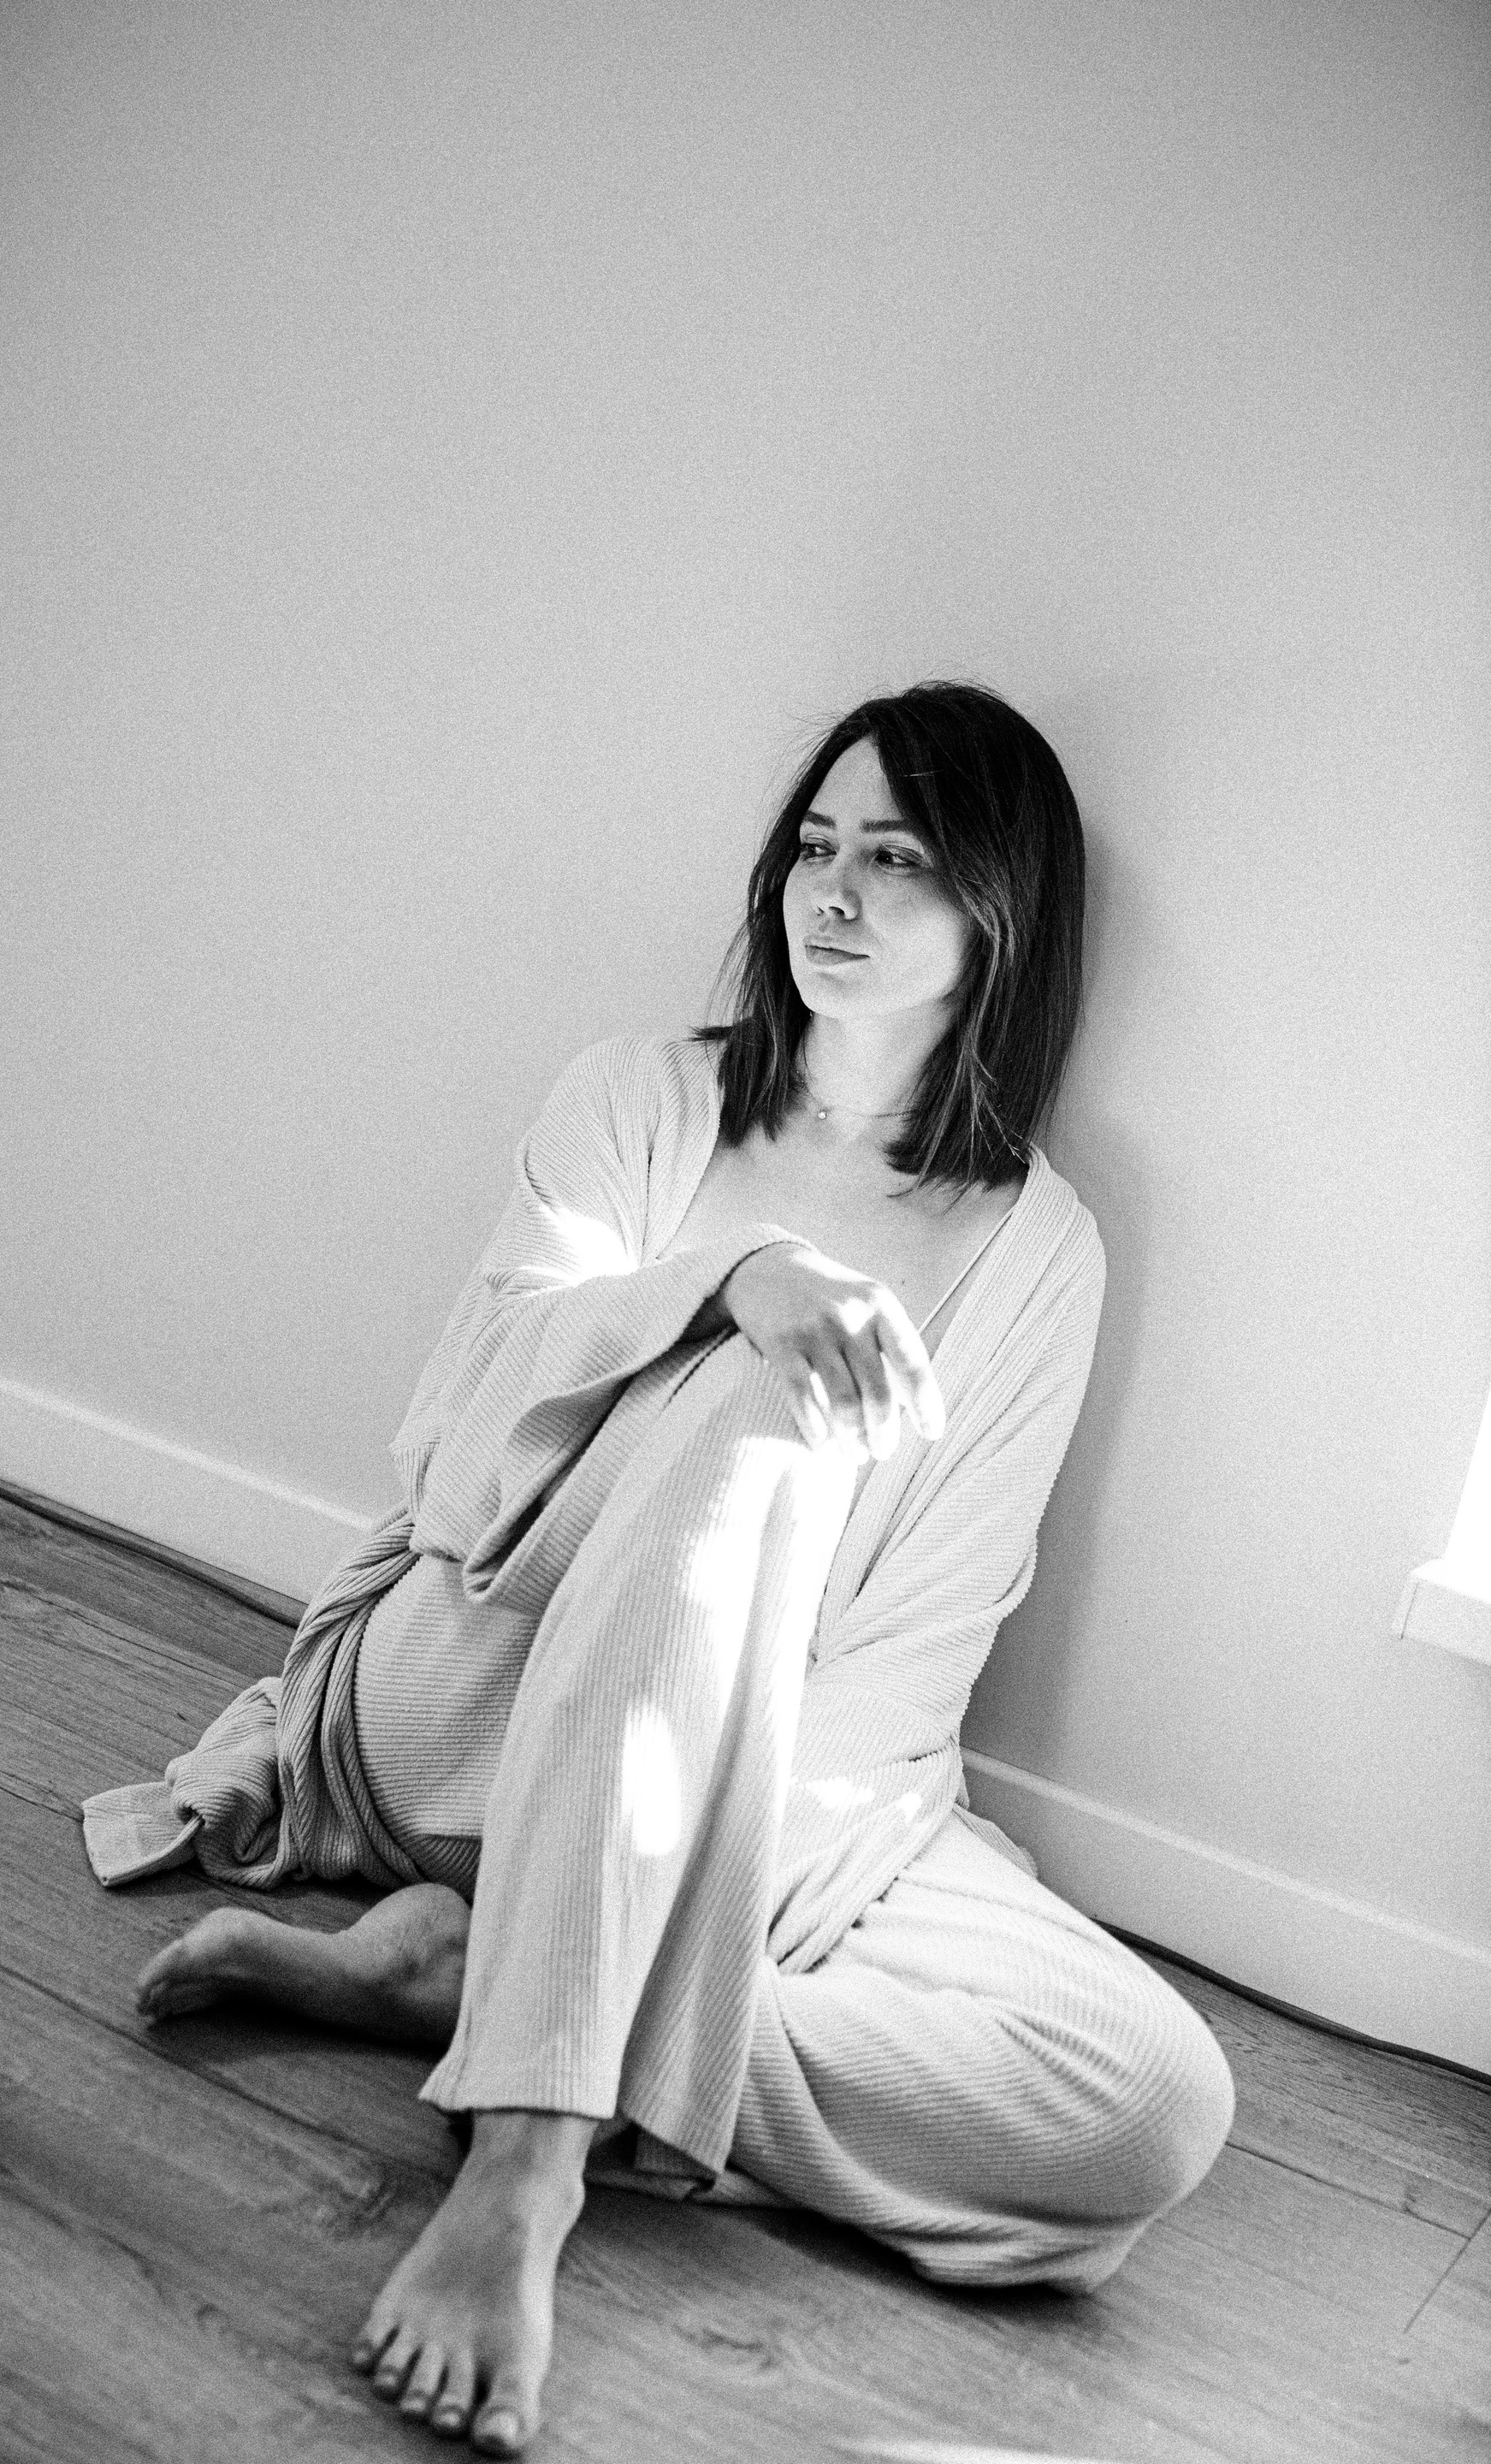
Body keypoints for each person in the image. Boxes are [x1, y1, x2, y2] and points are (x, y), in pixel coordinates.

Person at [87, 682, 1234, 2459]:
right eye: (816, 845)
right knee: (775, 1389)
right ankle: (530, 2158)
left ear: (1002, 914)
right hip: (470, 1675)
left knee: (1147, 2109)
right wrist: (731, 1288)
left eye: (898, 858)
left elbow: (920, 1648)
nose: (831, 890)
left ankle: (483, 1981)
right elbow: (461, 1440)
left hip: (776, 1786)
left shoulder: (1044, 1255)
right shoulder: (641, 1099)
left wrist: (716, 1857)